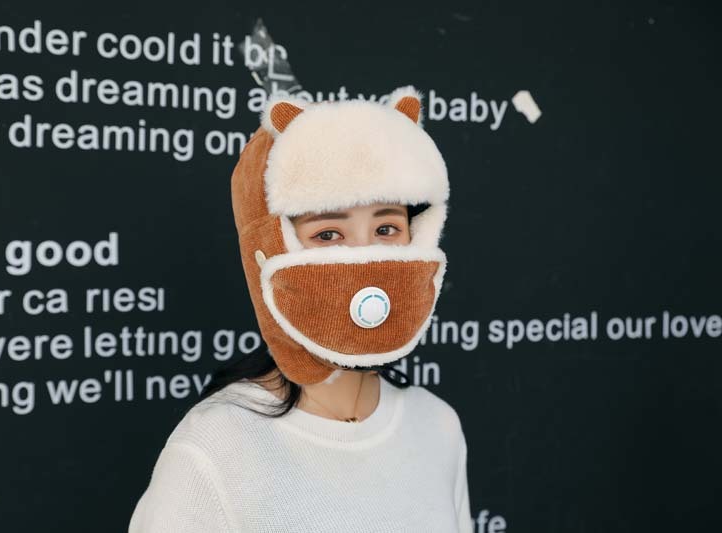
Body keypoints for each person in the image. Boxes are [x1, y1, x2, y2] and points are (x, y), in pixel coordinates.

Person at [129, 86, 472, 532]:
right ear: (273, 248)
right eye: (328, 234)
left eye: (387, 228)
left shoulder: (438, 427)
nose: (365, 258)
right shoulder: (215, 446)